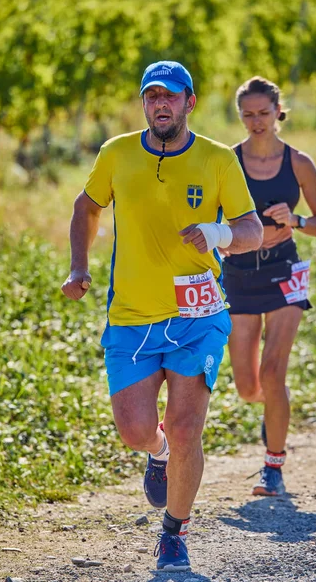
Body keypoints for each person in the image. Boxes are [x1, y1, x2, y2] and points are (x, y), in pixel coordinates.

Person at [61, 60, 263, 571]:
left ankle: (174, 531)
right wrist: (79, 268)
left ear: (189, 103)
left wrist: (217, 235)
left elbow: (252, 231)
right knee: (134, 429)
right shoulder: (118, 153)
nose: (161, 104)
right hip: (131, 316)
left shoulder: (217, 159)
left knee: (186, 425)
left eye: (170, 96)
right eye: (152, 96)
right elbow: (86, 207)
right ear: (144, 103)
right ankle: (157, 453)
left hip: (197, 315)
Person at [221, 76, 316, 496]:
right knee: (250, 387)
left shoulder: (299, 163)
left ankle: (274, 467)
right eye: (247, 114)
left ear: (278, 111)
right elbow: (213, 220)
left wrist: (297, 220)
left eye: (263, 113)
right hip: (241, 275)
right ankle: (276, 404)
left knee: (273, 372)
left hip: (286, 271)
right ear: (240, 116)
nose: (256, 121)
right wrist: (228, 239)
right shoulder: (227, 162)